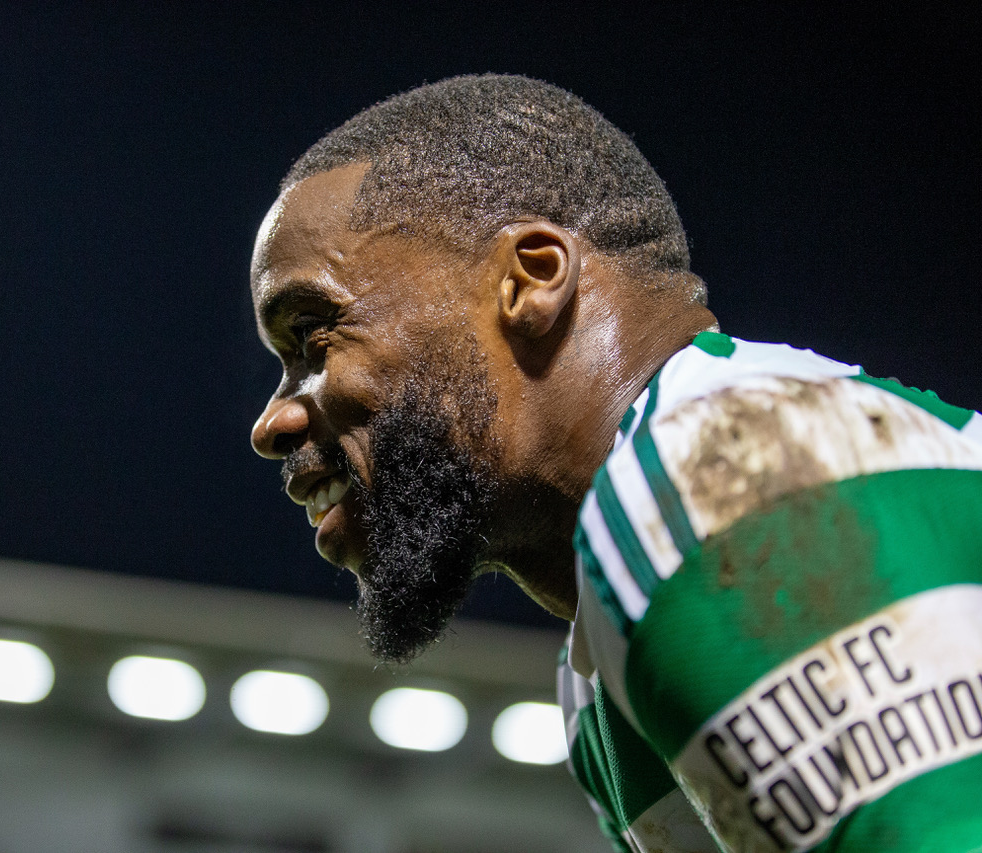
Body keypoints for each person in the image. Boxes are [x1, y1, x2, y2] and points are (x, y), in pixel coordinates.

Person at [247, 74, 982, 852]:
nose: (271, 422)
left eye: (312, 335)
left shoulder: (724, 472)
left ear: (529, 280)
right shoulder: (594, 673)